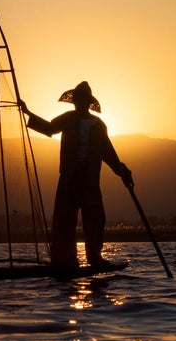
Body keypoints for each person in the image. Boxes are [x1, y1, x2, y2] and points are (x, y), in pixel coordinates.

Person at [19, 81, 133, 268]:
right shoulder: (68, 119)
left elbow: (108, 153)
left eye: (82, 100)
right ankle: (65, 260)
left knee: (95, 219)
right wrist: (28, 112)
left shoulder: (99, 125)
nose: (78, 103)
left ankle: (95, 258)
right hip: (69, 179)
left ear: (88, 102)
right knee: (65, 220)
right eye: (77, 100)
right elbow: (49, 128)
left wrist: (122, 171)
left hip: (90, 180)